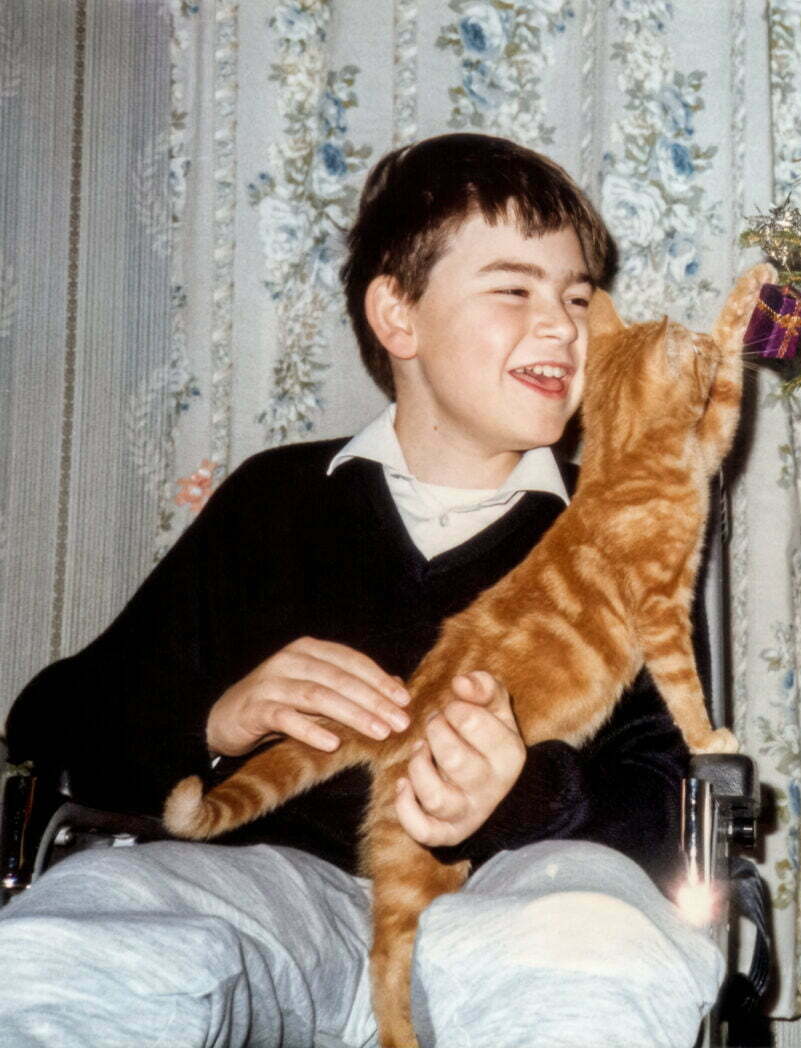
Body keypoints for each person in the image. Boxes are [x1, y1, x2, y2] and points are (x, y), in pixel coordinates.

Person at [0, 132, 724, 1047]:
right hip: (276, 897)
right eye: (515, 289)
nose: (565, 326)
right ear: (399, 315)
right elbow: (49, 722)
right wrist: (213, 720)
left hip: (516, 904)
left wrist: (525, 795)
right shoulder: (276, 500)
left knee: (591, 941)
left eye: (577, 296)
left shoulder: (627, 520)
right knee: (88, 928)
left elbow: (672, 806)